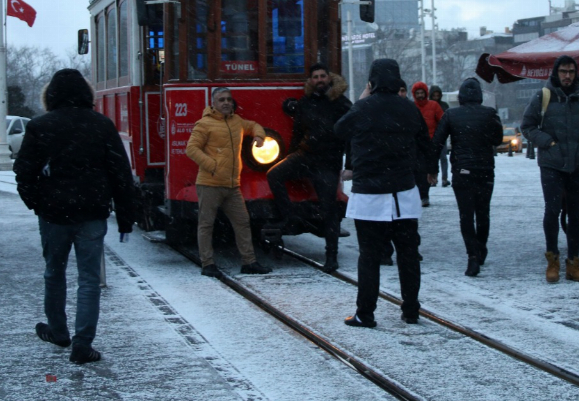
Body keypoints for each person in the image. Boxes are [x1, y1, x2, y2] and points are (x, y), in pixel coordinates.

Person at [14, 68, 138, 365]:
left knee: (53, 273)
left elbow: (24, 172)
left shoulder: (40, 126)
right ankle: (83, 343)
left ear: (51, 96)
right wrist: (125, 216)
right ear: (86, 93)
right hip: (92, 212)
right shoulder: (101, 125)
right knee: (89, 279)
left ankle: (58, 330)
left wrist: (37, 203)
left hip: (54, 214)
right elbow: (121, 174)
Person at [336, 59, 437, 328]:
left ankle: (365, 313)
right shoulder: (409, 109)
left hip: (369, 193)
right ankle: (411, 309)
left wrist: (362, 100)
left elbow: (338, 131)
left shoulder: (363, 108)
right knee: (408, 253)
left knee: (369, 255)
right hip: (403, 193)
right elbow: (425, 145)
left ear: (372, 81)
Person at [520, 55, 579, 283]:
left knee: (576, 215)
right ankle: (552, 261)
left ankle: (574, 263)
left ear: (575, 73)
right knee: (552, 211)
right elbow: (527, 126)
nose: (567, 76)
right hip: (551, 164)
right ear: (556, 73)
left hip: (577, 163)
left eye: (571, 71)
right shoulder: (544, 96)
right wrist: (548, 143)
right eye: (563, 71)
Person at [267, 63, 352, 273]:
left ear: (329, 79)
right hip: (305, 156)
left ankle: (331, 256)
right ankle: (289, 216)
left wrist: (350, 164)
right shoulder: (305, 103)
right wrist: (289, 157)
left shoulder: (341, 104)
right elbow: (297, 132)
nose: (320, 80)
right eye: (316, 77)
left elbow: (352, 137)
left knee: (329, 209)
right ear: (311, 81)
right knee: (275, 174)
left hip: (328, 162)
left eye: (323, 76)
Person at [186, 87, 272, 277]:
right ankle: (207, 264)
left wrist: (259, 137)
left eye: (228, 100)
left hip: (232, 186)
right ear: (213, 103)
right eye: (221, 100)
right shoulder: (204, 124)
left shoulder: (236, 122)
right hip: (210, 184)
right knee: (206, 224)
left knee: (242, 222)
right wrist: (212, 165)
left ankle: (249, 262)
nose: (226, 103)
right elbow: (191, 149)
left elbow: (255, 125)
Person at [431, 78, 503, 277]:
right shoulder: (489, 114)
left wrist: (431, 169)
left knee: (466, 215)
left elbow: (437, 142)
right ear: (479, 95)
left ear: (461, 96)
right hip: (485, 170)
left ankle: (472, 255)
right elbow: (497, 139)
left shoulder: (451, 114)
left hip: (462, 171)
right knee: (483, 212)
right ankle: (481, 247)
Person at [411, 82, 444, 207]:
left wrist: (437, 138)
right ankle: (419, 194)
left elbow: (442, 122)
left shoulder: (434, 106)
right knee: (416, 171)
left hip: (430, 142)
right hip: (415, 144)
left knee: (426, 170)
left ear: (426, 93)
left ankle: (424, 194)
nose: (420, 96)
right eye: (417, 93)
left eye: (422, 93)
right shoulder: (412, 106)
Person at [429, 86, 451, 187]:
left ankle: (443, 178)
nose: (436, 97)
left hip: (441, 134)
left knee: (442, 157)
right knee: (435, 158)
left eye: (437, 95)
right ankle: (434, 178)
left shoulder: (443, 105)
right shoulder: (433, 105)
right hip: (434, 134)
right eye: (434, 95)